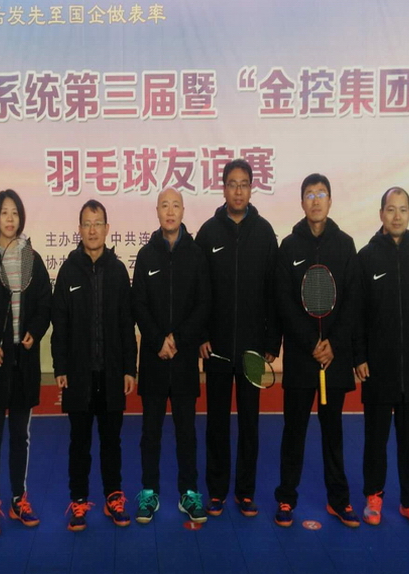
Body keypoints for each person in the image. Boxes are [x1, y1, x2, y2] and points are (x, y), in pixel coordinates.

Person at [273, 173, 360, 528]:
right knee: (293, 432)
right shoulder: (289, 247)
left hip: (334, 360)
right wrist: (312, 343)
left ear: (330, 200)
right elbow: (283, 301)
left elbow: (353, 301)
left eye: (321, 194)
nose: (316, 200)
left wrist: (333, 344)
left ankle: (338, 500)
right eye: (309, 194)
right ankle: (286, 498)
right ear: (302, 202)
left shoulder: (345, 245)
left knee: (333, 433)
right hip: (301, 358)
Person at [195, 159, 280, 517]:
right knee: (216, 422)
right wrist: (201, 334)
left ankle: (245, 492)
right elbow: (198, 291)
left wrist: (271, 343)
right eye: (232, 184)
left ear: (251, 188)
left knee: (250, 421)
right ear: (223, 188)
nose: (238, 191)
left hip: (253, 350)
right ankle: (216, 492)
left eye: (244, 184)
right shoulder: (207, 233)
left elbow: (274, 291)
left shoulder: (265, 233)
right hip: (215, 348)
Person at [355, 187, 409, 529]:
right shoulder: (366, 257)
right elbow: (357, 313)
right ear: (381, 214)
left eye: (402, 209)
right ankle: (373, 497)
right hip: (377, 367)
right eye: (390, 209)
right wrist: (359, 356)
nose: (396, 216)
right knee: (375, 439)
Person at [0, 190, 52, 538]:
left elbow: (44, 303)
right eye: (4, 212)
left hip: (23, 363)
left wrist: (35, 331)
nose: (10, 218)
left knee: (20, 435)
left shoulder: (32, 257)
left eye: (15, 212)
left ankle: (19, 498)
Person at [51, 199, 137, 531]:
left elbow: (127, 324)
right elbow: (59, 324)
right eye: (86, 224)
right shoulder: (68, 271)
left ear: (107, 229)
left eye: (97, 223)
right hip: (79, 376)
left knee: (112, 441)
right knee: (79, 443)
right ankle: (79, 500)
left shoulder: (118, 271)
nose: (92, 230)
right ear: (79, 229)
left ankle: (114, 497)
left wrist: (130, 368)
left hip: (112, 373)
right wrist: (60, 367)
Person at [131, 188, 210, 524]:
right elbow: (138, 304)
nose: (170, 211)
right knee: (150, 432)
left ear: (183, 210)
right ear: (157, 211)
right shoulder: (146, 255)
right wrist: (157, 340)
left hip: (184, 358)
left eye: (175, 205)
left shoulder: (196, 254)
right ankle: (149, 492)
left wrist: (177, 339)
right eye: (164, 205)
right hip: (153, 358)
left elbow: (203, 304)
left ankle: (189, 493)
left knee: (186, 432)